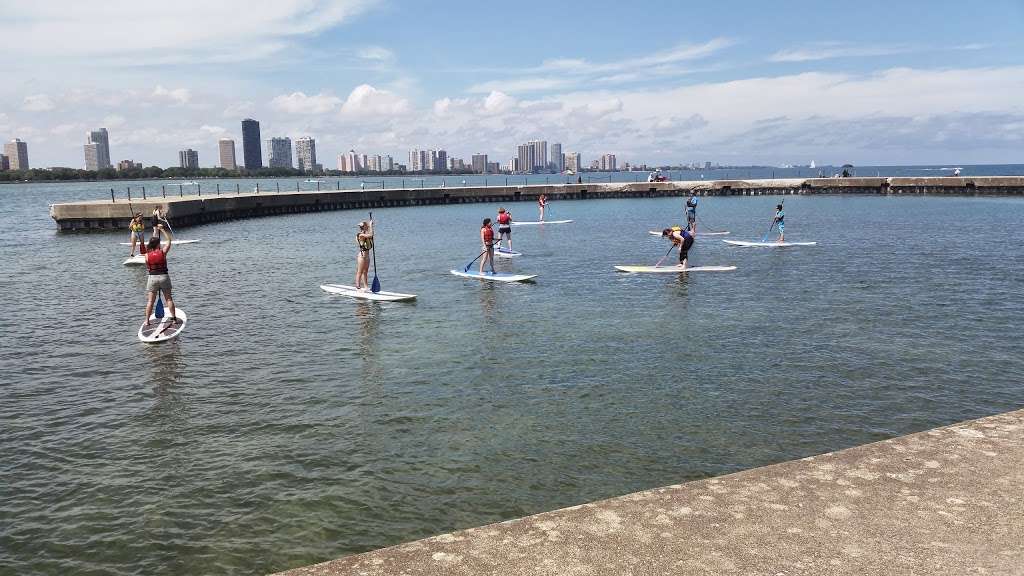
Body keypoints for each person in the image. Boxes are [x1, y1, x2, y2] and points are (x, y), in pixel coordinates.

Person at [140, 224, 177, 326]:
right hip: (164, 277)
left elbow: (148, 267)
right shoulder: (163, 252)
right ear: (158, 244)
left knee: (150, 301)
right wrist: (162, 230)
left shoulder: (147, 255)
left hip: (152, 278)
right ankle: (174, 319)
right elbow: (169, 241)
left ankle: (147, 321)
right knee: (169, 299)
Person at [355, 220, 373, 291]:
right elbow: (371, 235)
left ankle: (366, 287)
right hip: (362, 256)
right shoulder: (360, 235)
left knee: (365, 272)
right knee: (360, 271)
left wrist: (370, 226)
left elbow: (371, 235)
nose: (362, 227)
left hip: (367, 256)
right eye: (363, 226)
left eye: (364, 226)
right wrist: (371, 226)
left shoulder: (366, 233)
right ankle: (358, 287)